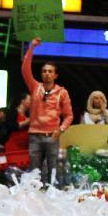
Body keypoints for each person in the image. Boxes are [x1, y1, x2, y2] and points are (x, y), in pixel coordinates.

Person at [21, 38, 73, 183]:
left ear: (55, 75)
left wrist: (60, 129)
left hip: (52, 135)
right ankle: (34, 200)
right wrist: (31, 48)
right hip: (35, 136)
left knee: (53, 173)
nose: (47, 73)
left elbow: (69, 116)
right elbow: (25, 70)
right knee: (34, 173)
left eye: (50, 71)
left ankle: (52, 198)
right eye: (44, 71)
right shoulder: (35, 87)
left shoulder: (62, 92)